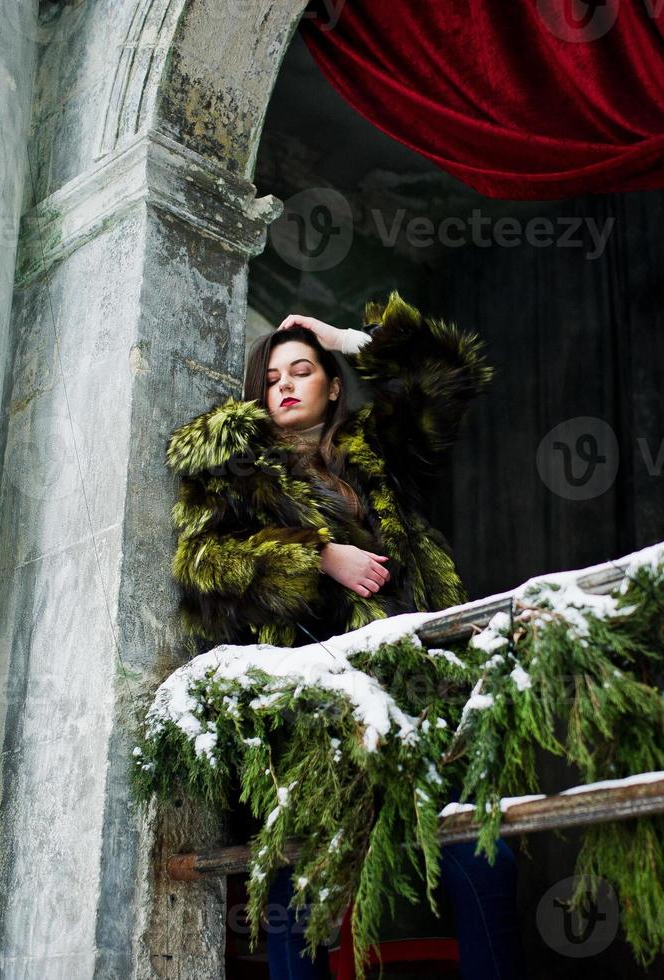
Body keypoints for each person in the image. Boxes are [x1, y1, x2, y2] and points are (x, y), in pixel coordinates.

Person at [164, 291, 519, 979]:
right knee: (294, 881)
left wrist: (345, 337)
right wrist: (316, 555)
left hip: (409, 705)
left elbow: (450, 377)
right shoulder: (232, 475)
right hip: (303, 719)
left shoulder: (377, 454)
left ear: (330, 387)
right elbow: (203, 567)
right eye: (270, 379)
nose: (284, 386)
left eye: (300, 370)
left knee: (481, 854)